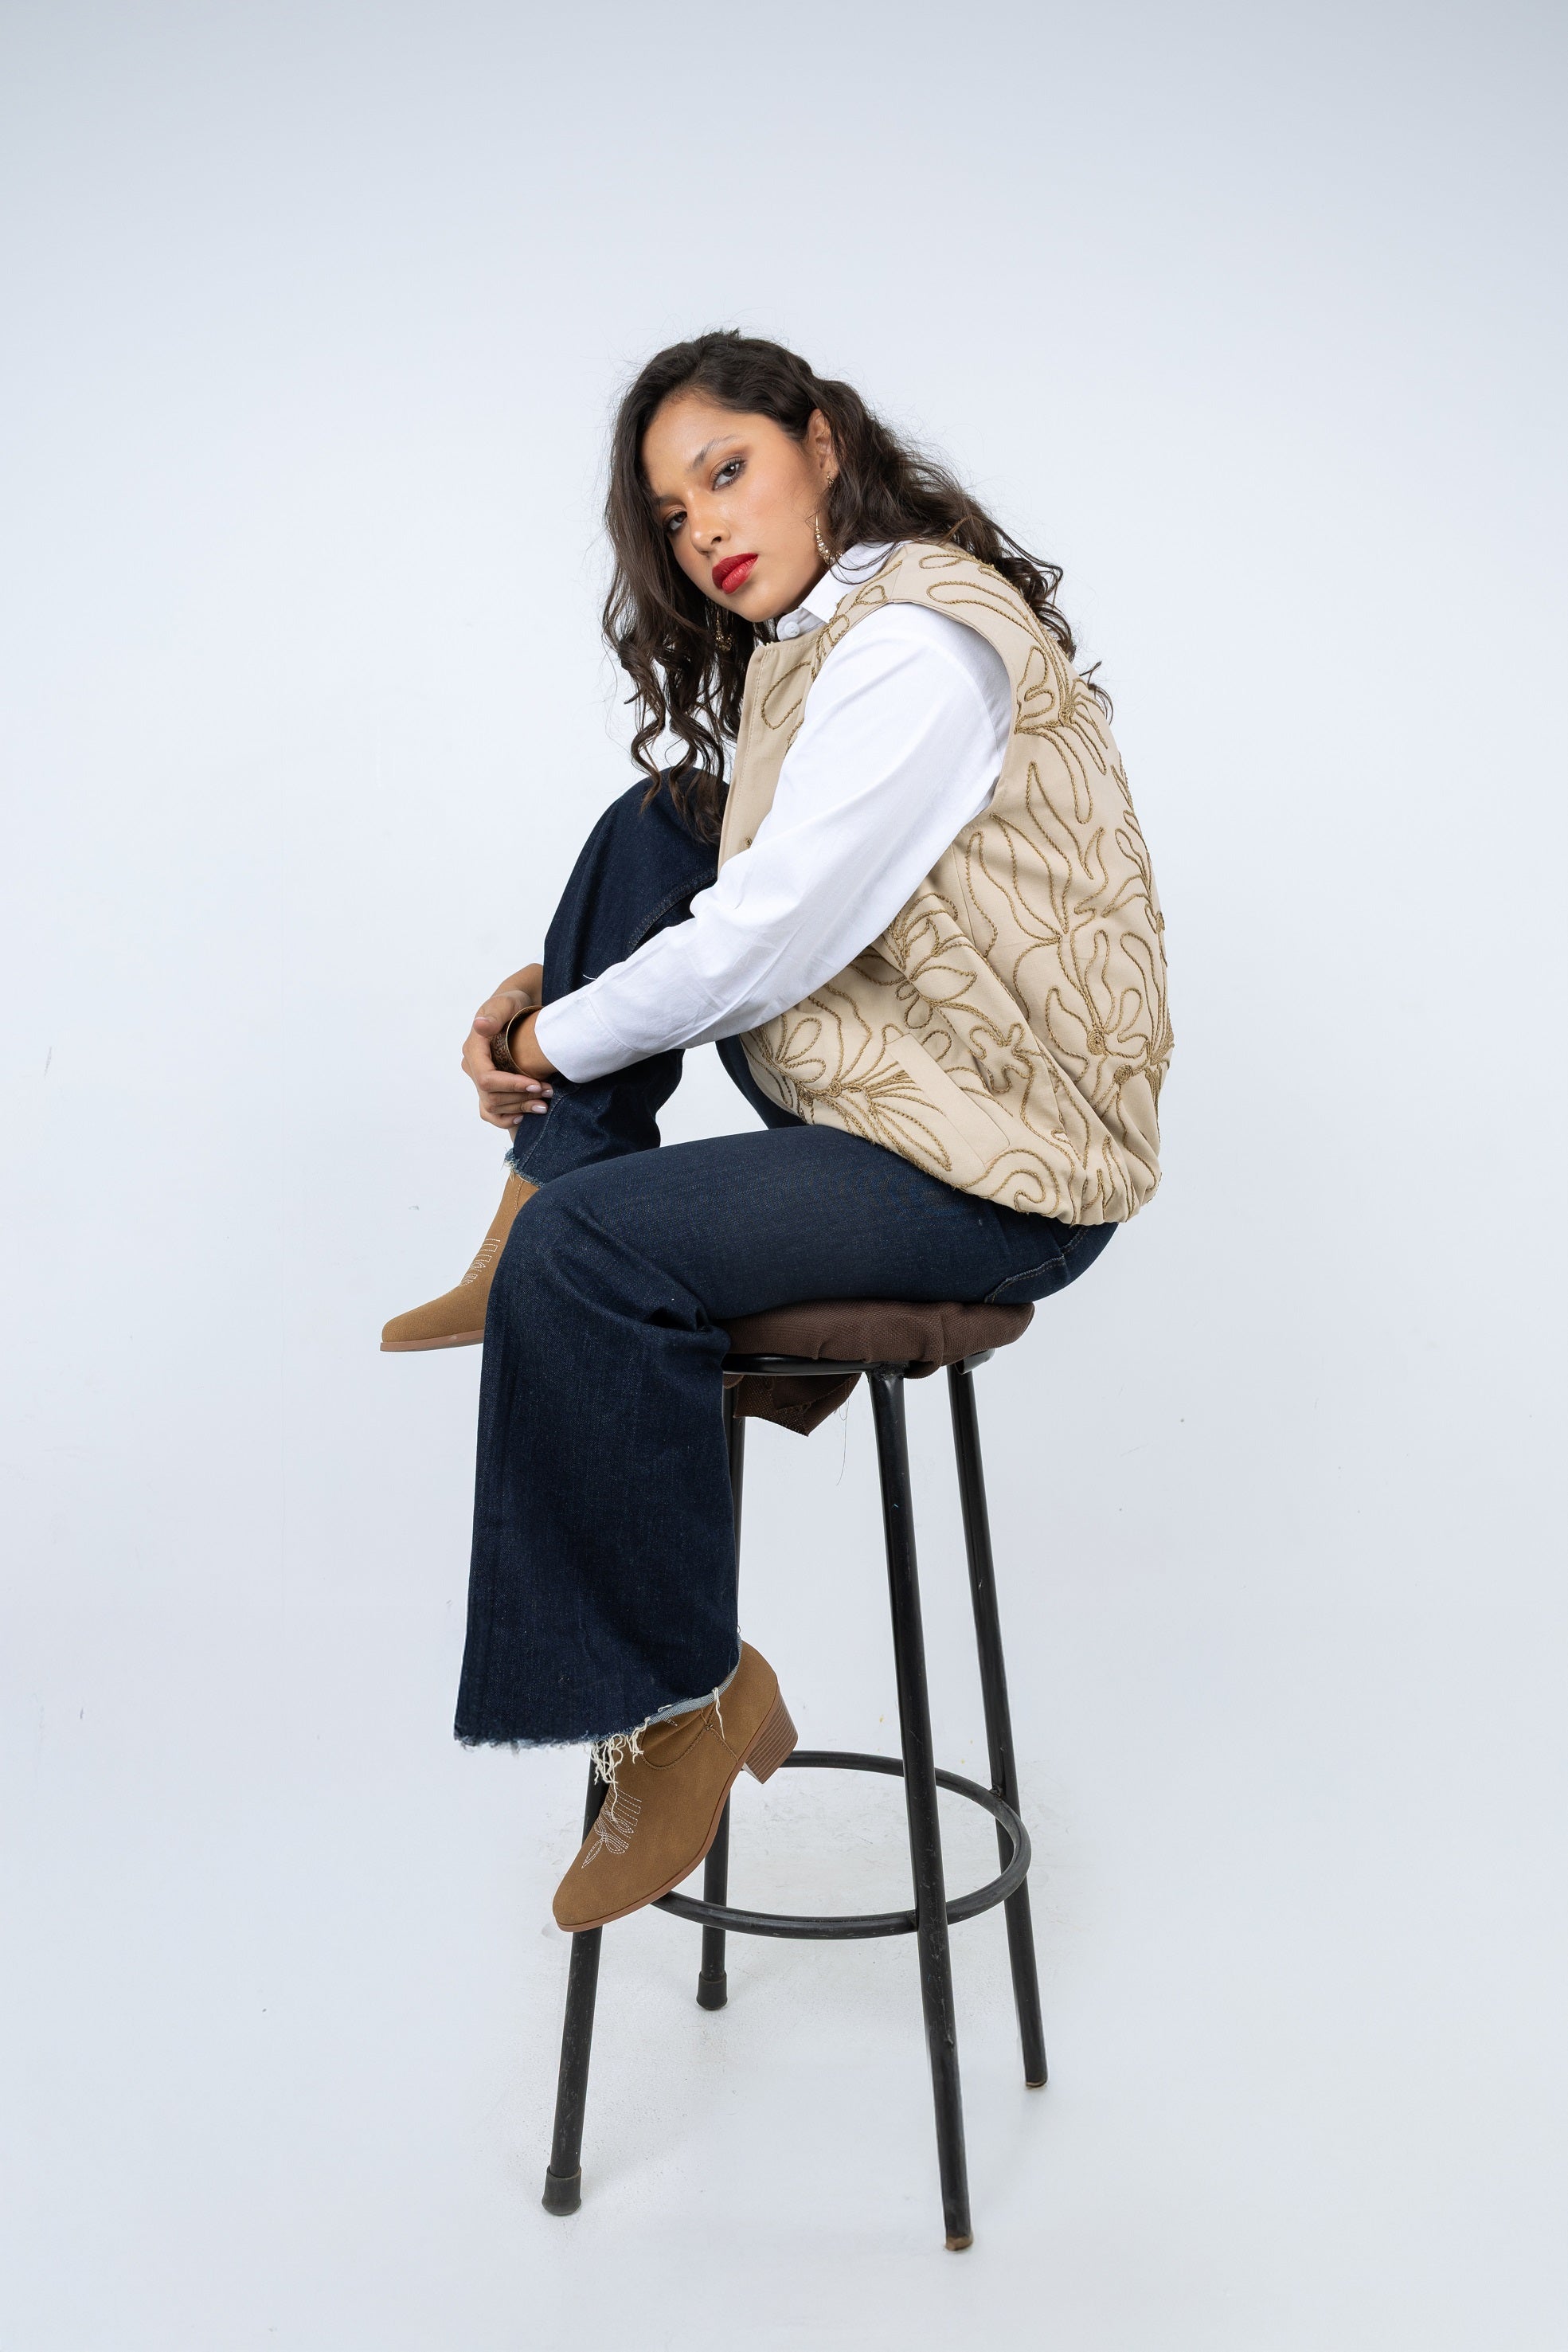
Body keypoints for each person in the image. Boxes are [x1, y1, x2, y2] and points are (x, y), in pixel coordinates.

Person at [381, 332, 1172, 1934]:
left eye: (725, 472)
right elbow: (752, 891)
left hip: (1006, 1171)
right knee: (661, 823)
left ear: (820, 443)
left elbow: (766, 943)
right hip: (915, 1111)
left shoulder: (914, 648)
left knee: (596, 1256)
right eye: (671, 515)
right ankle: (545, 1196)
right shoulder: (824, 642)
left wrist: (543, 1035)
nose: (704, 532)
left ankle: (684, 1699)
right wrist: (569, 1008)